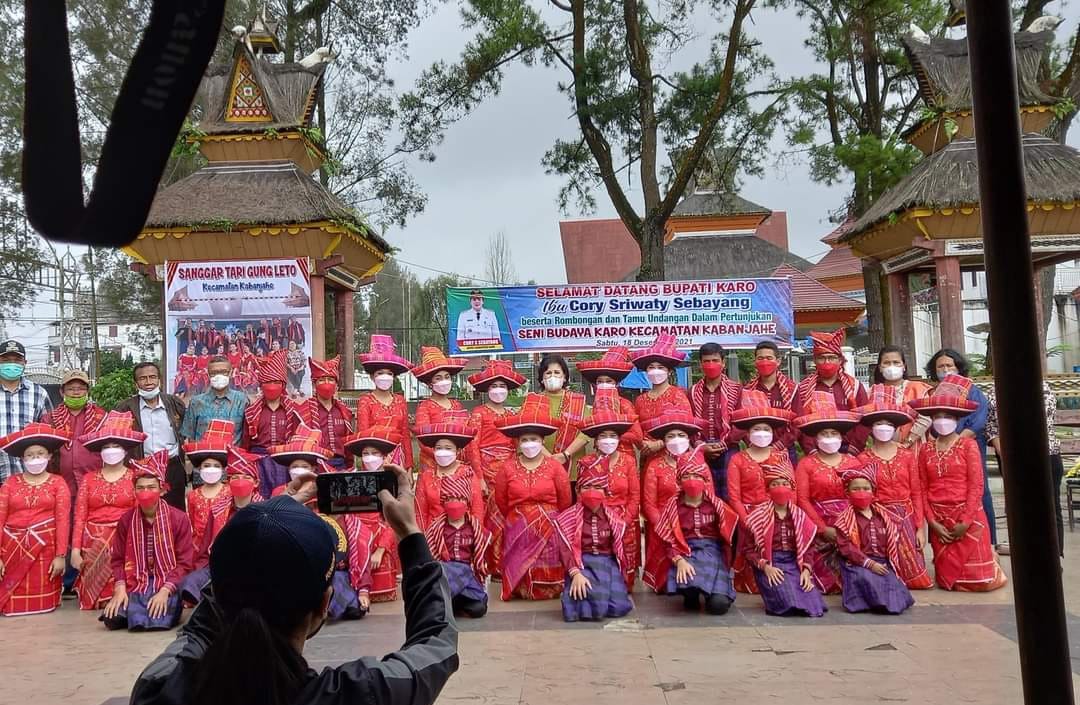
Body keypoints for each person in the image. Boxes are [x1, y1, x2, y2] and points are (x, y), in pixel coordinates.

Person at [128, 464, 459, 705]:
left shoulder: (159, 687)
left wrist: (268, 518)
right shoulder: (359, 694)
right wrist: (411, 536)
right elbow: (436, 644)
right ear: (323, 605)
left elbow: (197, 633)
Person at [911, 379, 1007, 592]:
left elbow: (976, 486)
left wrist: (965, 521)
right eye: (937, 416)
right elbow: (921, 488)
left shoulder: (968, 445)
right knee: (948, 584)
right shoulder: (926, 449)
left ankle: (991, 560)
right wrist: (932, 523)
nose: (942, 421)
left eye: (947, 416)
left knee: (980, 583)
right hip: (939, 519)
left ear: (957, 418)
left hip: (968, 516)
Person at [102, 449, 195, 631]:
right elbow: (118, 559)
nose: (146, 492)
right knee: (112, 618)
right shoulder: (127, 520)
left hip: (167, 582)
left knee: (157, 620)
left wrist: (165, 590)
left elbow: (185, 563)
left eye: (151, 487)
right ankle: (134, 607)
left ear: (162, 490)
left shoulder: (178, 518)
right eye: (141, 488)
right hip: (136, 581)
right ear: (134, 491)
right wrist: (120, 588)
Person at [493, 396, 573, 600]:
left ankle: (550, 587)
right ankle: (520, 586)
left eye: (534, 439)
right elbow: (501, 501)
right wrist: (519, 518)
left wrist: (547, 517)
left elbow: (565, 500)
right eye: (525, 440)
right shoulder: (507, 468)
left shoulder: (555, 467)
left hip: (550, 524)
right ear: (518, 442)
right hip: (517, 524)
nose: (530, 444)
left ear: (543, 441)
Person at [856, 394, 932, 589]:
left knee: (916, 580)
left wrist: (920, 528)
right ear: (871, 429)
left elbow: (916, 492)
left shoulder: (907, 456)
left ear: (896, 428)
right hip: (877, 517)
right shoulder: (863, 459)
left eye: (888, 423)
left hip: (906, 516)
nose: (883, 427)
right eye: (878, 423)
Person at [72, 412, 146, 610]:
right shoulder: (88, 479)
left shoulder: (135, 478)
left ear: (125, 450)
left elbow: (140, 516)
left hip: (124, 542)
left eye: (116, 446)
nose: (111, 451)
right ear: (99, 451)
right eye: (106, 447)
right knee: (93, 601)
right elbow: (80, 516)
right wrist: (75, 551)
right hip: (92, 544)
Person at [924, 349, 997, 546]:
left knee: (979, 490)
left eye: (950, 365)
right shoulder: (935, 392)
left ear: (959, 367)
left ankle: (989, 542)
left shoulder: (973, 391)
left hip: (967, 447)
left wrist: (955, 444)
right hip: (940, 450)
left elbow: (978, 422)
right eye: (941, 366)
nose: (945, 369)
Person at [726, 391, 796, 594]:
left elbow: (792, 491)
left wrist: (787, 516)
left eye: (766, 429)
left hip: (778, 517)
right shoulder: (737, 459)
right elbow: (734, 496)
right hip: (747, 516)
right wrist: (747, 520)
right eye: (757, 429)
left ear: (773, 431)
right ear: (747, 433)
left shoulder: (781, 457)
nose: (762, 433)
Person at [653, 448, 738, 614]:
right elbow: (667, 540)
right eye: (686, 476)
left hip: (713, 553)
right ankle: (689, 592)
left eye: (697, 476)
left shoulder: (717, 505)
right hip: (686, 551)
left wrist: (727, 561)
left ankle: (718, 590)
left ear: (705, 479)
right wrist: (679, 561)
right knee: (690, 598)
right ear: (679, 480)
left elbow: (730, 538)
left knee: (718, 606)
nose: (692, 481)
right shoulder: (672, 507)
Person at [793, 392, 863, 594]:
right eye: (824, 434)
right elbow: (803, 500)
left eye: (833, 433)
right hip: (817, 522)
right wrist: (823, 528)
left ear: (841, 437)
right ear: (816, 438)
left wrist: (847, 525)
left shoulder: (853, 462)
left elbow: (860, 497)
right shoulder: (806, 464)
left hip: (849, 522)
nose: (829, 438)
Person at [0, 423, 71, 615]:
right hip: (12, 549)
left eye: (40, 453)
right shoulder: (10, 483)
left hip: (45, 551)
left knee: (43, 604)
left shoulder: (58, 483)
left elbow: (63, 520)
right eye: (30, 455)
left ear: (49, 456)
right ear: (22, 458)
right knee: (8, 601)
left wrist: (60, 555)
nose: (35, 458)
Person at [179, 447, 265, 604]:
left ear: (256, 483)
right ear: (229, 481)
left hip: (254, 570)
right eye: (235, 477)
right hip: (220, 568)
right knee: (189, 583)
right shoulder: (218, 509)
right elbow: (205, 550)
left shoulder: (265, 510)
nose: (240, 482)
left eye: (246, 477)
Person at [739, 461, 825, 617]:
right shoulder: (757, 517)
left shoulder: (800, 516)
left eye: (785, 484)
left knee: (814, 604)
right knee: (789, 601)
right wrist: (766, 567)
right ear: (768, 489)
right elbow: (748, 549)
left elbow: (809, 548)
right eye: (775, 484)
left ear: (792, 488)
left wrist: (806, 570)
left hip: (794, 563)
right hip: (771, 564)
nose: (780, 488)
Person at [640, 411, 714, 592]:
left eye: (681, 435)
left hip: (694, 522)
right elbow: (649, 503)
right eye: (670, 436)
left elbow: (710, 497)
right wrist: (665, 527)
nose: (676, 439)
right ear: (664, 440)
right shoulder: (655, 465)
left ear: (689, 439)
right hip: (663, 524)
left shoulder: (701, 465)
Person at [985, 379, 1061, 557]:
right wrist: (1003, 450)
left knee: (1050, 506)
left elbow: (1039, 418)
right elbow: (990, 426)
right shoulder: (994, 390)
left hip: (1044, 455)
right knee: (1017, 506)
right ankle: (1025, 554)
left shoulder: (1042, 387)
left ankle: (1053, 555)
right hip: (1009, 458)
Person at [833, 465, 916, 615]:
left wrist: (884, 563)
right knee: (867, 577)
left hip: (882, 562)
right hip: (857, 563)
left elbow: (892, 543)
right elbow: (846, 548)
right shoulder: (844, 520)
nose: (862, 493)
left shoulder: (883, 516)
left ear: (873, 491)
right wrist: (870, 564)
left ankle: (883, 601)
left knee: (891, 584)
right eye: (856, 489)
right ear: (847, 493)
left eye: (866, 488)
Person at [576, 398, 640, 589]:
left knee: (623, 585)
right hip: (595, 521)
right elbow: (581, 497)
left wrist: (625, 521)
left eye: (613, 435)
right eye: (603, 436)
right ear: (595, 440)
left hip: (623, 520)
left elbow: (634, 496)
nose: (608, 440)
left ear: (619, 438)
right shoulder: (585, 462)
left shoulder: (628, 461)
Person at [554, 471, 634, 622]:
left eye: (597, 487)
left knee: (619, 607)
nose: (591, 492)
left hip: (606, 563)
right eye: (586, 486)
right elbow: (564, 551)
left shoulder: (614, 519)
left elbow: (618, 550)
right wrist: (575, 574)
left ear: (605, 492)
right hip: (581, 562)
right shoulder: (567, 518)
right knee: (592, 599)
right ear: (578, 490)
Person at [339, 425, 407, 603]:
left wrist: (380, 549)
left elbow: (394, 522)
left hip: (382, 534)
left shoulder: (391, 481)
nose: (369, 457)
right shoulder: (351, 479)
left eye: (374, 453)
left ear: (384, 456)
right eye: (365, 453)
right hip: (356, 535)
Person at [113, 362, 188, 509]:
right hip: (142, 467)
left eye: (152, 377)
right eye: (143, 378)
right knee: (144, 511)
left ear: (159, 380)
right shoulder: (125, 407)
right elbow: (117, 438)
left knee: (175, 512)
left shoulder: (174, 403)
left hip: (172, 468)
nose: (148, 382)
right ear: (136, 383)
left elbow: (184, 431)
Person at [424, 474, 493, 618]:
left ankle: (450, 603)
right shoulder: (436, 528)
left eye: (459, 499)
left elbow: (481, 560)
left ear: (467, 502)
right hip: (444, 573)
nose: (455, 503)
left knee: (479, 608)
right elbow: (430, 559)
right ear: (443, 502)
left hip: (467, 576)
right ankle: (446, 601)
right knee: (444, 573)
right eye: (450, 499)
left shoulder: (475, 528)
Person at [793, 329, 869, 455]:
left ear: (840, 360)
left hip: (848, 448)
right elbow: (800, 421)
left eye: (831, 358)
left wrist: (854, 449)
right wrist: (811, 449)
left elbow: (865, 420)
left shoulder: (854, 386)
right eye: (821, 358)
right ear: (815, 361)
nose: (827, 362)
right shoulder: (803, 388)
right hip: (817, 449)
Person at [42, 369, 107, 499]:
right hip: (60, 486)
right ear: (62, 392)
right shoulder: (50, 418)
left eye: (81, 388)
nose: (76, 393)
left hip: (94, 485)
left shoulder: (102, 417)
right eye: (71, 389)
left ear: (88, 391)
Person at [690, 342, 742, 500]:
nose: (711, 365)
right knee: (704, 496)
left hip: (729, 449)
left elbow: (740, 423)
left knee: (731, 496)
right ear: (700, 364)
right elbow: (689, 423)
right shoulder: (692, 392)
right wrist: (701, 446)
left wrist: (723, 444)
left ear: (723, 362)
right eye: (706, 361)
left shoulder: (736, 389)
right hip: (700, 450)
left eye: (715, 360)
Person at [356, 334, 414, 469]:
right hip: (374, 460)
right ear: (372, 376)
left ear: (394, 377)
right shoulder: (365, 401)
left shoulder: (400, 401)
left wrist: (409, 466)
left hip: (399, 460)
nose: (385, 377)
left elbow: (405, 435)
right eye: (380, 373)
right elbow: (364, 437)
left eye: (389, 374)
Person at [526, 353, 589, 480]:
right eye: (548, 373)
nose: (552, 376)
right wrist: (550, 458)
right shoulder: (532, 401)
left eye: (557, 372)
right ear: (542, 378)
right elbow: (525, 432)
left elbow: (586, 432)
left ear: (565, 377)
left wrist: (565, 455)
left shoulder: (577, 401)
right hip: (541, 466)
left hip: (572, 468)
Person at [244, 351, 300, 493]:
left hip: (285, 462)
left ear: (283, 385)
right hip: (259, 462)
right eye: (268, 382)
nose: (272, 386)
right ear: (261, 385)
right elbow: (245, 443)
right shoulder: (251, 412)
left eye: (276, 382)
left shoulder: (294, 411)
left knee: (284, 500)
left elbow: (298, 439)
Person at [413, 419, 483, 530]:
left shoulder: (468, 473)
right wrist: (422, 539)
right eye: (439, 448)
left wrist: (476, 534)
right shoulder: (426, 476)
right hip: (433, 535)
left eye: (448, 448)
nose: (442, 452)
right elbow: (420, 512)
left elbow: (477, 508)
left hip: (463, 535)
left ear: (458, 451)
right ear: (433, 450)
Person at [0, 339, 53, 483]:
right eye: (6, 360)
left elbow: (47, 435)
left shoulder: (38, 394)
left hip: (29, 477)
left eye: (17, 360)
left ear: (25, 363)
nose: (12, 364)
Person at [631, 333, 693, 458]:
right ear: (646, 371)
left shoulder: (678, 395)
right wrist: (641, 444)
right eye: (651, 367)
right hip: (646, 454)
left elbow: (687, 427)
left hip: (672, 455)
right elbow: (636, 428)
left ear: (669, 371)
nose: (655, 371)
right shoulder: (640, 400)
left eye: (660, 367)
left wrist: (660, 443)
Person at [575, 346, 644, 455]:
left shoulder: (624, 404)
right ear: (595, 384)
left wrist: (611, 435)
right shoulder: (595, 404)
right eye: (600, 381)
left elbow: (638, 437)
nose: (604, 384)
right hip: (600, 456)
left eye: (608, 381)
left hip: (623, 456)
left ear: (616, 383)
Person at [412, 347, 468, 474]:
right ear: (430, 383)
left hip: (458, 465)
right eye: (438, 378)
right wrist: (445, 457)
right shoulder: (425, 407)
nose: (444, 381)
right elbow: (423, 441)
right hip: (432, 466)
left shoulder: (457, 405)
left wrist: (457, 458)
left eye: (447, 377)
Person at [182, 419, 235, 551]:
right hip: (199, 548)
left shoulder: (230, 492)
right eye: (206, 466)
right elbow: (193, 524)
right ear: (199, 469)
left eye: (216, 466)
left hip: (226, 544)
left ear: (223, 469)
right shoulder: (193, 495)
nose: (211, 469)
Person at [743, 341, 799, 465]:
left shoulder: (792, 389)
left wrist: (778, 446)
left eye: (769, 358)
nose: (765, 362)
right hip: (754, 450)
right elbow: (743, 423)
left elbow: (797, 424)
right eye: (760, 358)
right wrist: (753, 444)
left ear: (778, 361)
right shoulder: (747, 390)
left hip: (785, 449)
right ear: (755, 362)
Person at [179, 355, 248, 450]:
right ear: (208, 374)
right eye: (214, 373)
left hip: (233, 461)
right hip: (204, 461)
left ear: (230, 373)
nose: (219, 376)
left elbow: (248, 436)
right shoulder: (196, 402)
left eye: (224, 372)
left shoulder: (242, 400)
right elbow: (190, 437)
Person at [298, 356, 354, 469]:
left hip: (340, 464)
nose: (326, 383)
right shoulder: (304, 410)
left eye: (331, 380)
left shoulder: (344, 411)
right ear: (314, 385)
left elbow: (348, 442)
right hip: (315, 465)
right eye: (322, 380)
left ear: (336, 385)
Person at [872, 345, 932, 446]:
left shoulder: (918, 388)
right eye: (886, 363)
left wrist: (907, 443)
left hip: (914, 446)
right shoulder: (873, 392)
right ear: (880, 368)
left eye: (896, 362)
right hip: (882, 448)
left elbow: (925, 418)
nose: (891, 366)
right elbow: (868, 420)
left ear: (904, 366)